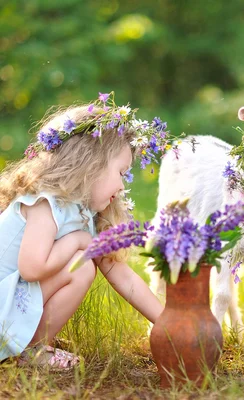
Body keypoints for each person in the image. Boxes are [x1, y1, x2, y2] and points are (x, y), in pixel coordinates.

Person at [0, 93, 171, 368]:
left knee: (82, 265)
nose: (122, 186)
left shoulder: (83, 213)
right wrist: (78, 241)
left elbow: (122, 276)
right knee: (81, 268)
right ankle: (30, 349)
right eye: (121, 172)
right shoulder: (46, 204)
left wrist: (168, 322)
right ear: (91, 164)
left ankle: (29, 344)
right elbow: (32, 268)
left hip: (7, 309)